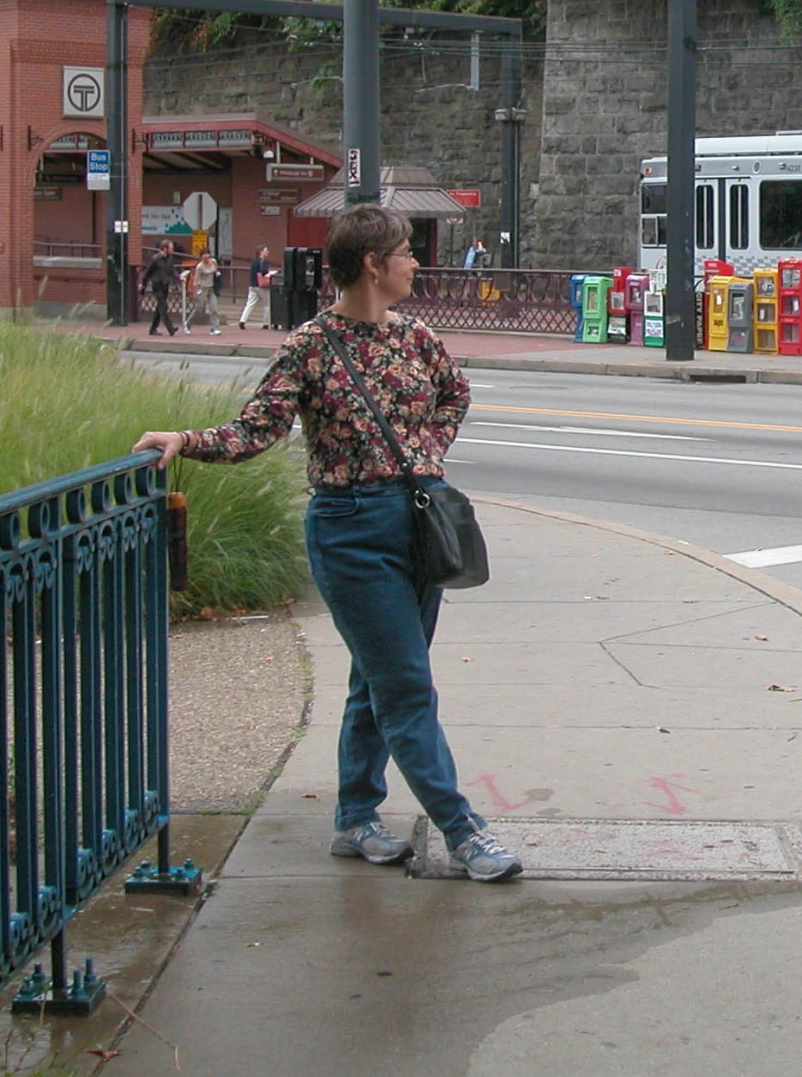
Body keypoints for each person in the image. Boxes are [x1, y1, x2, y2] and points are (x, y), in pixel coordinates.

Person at [132, 205, 521, 883]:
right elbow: (256, 429)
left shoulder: (417, 336)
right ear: (372, 264)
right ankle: (463, 832)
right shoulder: (311, 345)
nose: (414, 263)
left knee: (376, 678)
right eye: (404, 252)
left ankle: (354, 818)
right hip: (349, 531)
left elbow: (454, 394)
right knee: (404, 685)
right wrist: (185, 440)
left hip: (417, 523)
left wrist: (425, 450)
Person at [143, 240, 181, 335]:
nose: (172, 250)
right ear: (165, 249)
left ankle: (152, 329)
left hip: (165, 285)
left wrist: (179, 277)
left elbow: (172, 270)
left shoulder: (170, 258)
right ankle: (170, 328)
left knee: (159, 308)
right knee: (163, 306)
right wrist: (143, 284)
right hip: (157, 285)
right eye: (171, 248)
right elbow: (147, 272)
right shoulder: (155, 259)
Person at [185, 248, 223, 334]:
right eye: (204, 254)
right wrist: (194, 291)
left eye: (207, 254)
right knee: (199, 308)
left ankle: (214, 328)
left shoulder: (213, 261)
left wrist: (218, 276)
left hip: (212, 287)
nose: (206, 256)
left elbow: (216, 271)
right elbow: (196, 280)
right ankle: (188, 323)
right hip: (202, 288)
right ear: (201, 256)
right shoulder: (200, 266)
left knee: (214, 308)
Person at [241, 245, 275, 329]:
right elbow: (264, 272)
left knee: (250, 304)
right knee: (267, 305)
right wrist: (271, 273)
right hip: (262, 286)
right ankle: (266, 323)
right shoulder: (263, 262)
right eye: (266, 250)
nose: (267, 252)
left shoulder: (254, 261)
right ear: (261, 252)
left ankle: (242, 320)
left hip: (253, 285)